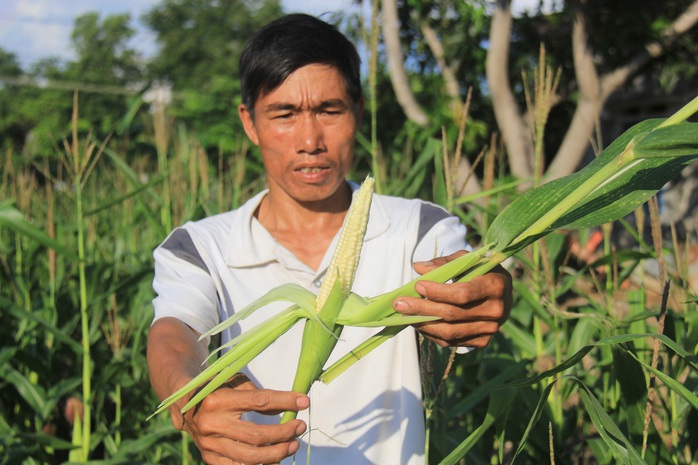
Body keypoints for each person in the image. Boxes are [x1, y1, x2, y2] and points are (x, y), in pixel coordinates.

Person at [147, 13, 512, 465]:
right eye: (284, 114)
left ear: (358, 111)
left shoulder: (418, 228)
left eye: (329, 111)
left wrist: (487, 291)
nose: (310, 140)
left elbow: (468, 278)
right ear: (249, 122)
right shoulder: (200, 246)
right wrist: (192, 394)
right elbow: (174, 332)